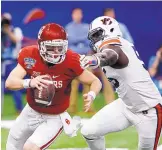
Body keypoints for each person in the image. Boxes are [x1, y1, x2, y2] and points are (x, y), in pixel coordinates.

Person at [5, 23, 102, 150]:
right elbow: (10, 82)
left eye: (60, 47)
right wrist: (29, 82)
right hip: (30, 111)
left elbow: (95, 81)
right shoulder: (30, 55)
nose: (56, 52)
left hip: (54, 117)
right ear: (41, 46)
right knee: (11, 147)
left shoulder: (71, 60)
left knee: (30, 148)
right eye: (51, 47)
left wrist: (91, 94)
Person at [80, 16, 162, 150]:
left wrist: (92, 60)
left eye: (97, 34)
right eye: (92, 36)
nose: (94, 39)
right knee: (89, 132)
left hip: (149, 110)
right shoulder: (116, 45)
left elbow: (110, 55)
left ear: (110, 30)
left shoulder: (116, 46)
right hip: (126, 105)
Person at [65, 8, 95, 113]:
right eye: (75, 14)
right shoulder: (68, 27)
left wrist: (77, 41)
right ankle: (71, 107)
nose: (77, 16)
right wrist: (81, 40)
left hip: (86, 58)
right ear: (72, 15)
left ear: (81, 15)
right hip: (73, 59)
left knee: (89, 83)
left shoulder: (87, 27)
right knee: (73, 84)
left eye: (79, 14)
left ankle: (88, 107)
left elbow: (89, 41)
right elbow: (70, 41)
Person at [1, 12, 24, 114]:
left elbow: (17, 40)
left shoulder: (16, 30)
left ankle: (19, 109)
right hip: (2, 62)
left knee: (15, 86)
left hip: (12, 62)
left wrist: (8, 31)